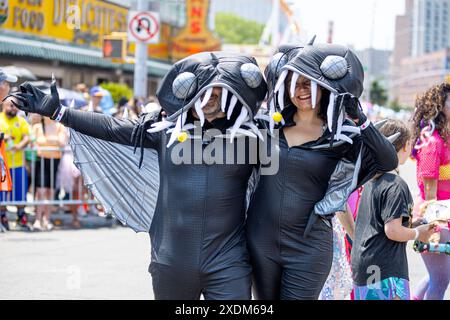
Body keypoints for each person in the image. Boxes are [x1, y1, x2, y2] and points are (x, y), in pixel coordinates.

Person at [9, 51, 267, 300]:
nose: (210, 97)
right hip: (171, 259)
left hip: (228, 262)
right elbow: (111, 127)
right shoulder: (164, 130)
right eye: (204, 89)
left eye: (218, 90)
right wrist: (60, 113)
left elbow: (292, 160)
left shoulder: (253, 138)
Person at [245, 42, 399, 300]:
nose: (300, 90)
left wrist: (360, 118)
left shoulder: (341, 138)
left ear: (323, 86)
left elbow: (387, 159)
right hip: (260, 244)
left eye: (308, 83)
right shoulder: (265, 127)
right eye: (294, 83)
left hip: (308, 247)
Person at [351, 119, 436, 300]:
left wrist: (412, 224)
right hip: (386, 271)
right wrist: (417, 233)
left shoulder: (370, 180)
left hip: (363, 268)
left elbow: (379, 223)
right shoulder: (395, 184)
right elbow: (392, 231)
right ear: (405, 146)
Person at [411, 82, 450, 300]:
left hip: (445, 215)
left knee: (439, 275)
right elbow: (430, 194)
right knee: (440, 280)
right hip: (434, 216)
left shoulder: (446, 138)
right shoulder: (432, 142)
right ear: (439, 107)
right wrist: (435, 229)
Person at [0, 96, 31, 230]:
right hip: (2, 165)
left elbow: (27, 137)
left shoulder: (22, 121)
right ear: (3, 106)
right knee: (2, 194)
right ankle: (2, 217)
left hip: (18, 165)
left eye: (15, 105)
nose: (13, 108)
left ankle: (21, 217)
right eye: (10, 105)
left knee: (20, 193)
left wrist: (20, 145)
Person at [32, 115, 66, 231]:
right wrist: (53, 141)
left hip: (55, 161)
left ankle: (47, 219)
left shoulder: (59, 126)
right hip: (41, 160)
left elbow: (62, 142)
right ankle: (37, 220)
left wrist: (47, 141)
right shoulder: (37, 127)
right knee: (40, 191)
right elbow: (34, 143)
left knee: (50, 192)